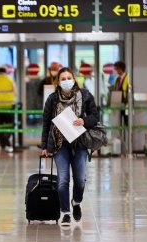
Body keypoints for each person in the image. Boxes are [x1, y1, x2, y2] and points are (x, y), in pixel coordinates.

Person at [41, 67, 98, 226]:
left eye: (69, 77)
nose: (66, 80)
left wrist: (84, 121)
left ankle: (76, 202)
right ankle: (65, 212)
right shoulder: (52, 99)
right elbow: (46, 122)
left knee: (80, 179)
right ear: (58, 82)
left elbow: (95, 116)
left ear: (74, 79)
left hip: (79, 143)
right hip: (60, 144)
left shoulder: (85, 95)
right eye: (63, 78)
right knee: (63, 180)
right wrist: (45, 145)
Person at [0, 66, 17, 153]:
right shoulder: (10, 80)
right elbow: (15, 92)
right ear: (6, 72)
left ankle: (3, 143)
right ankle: (6, 138)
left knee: (0, 125)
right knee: (10, 124)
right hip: (8, 105)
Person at [113, 61, 130, 126]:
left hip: (125, 103)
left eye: (116, 69)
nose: (115, 71)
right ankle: (120, 135)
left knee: (126, 121)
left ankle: (127, 135)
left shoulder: (128, 78)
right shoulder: (117, 79)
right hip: (117, 103)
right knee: (118, 122)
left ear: (120, 69)